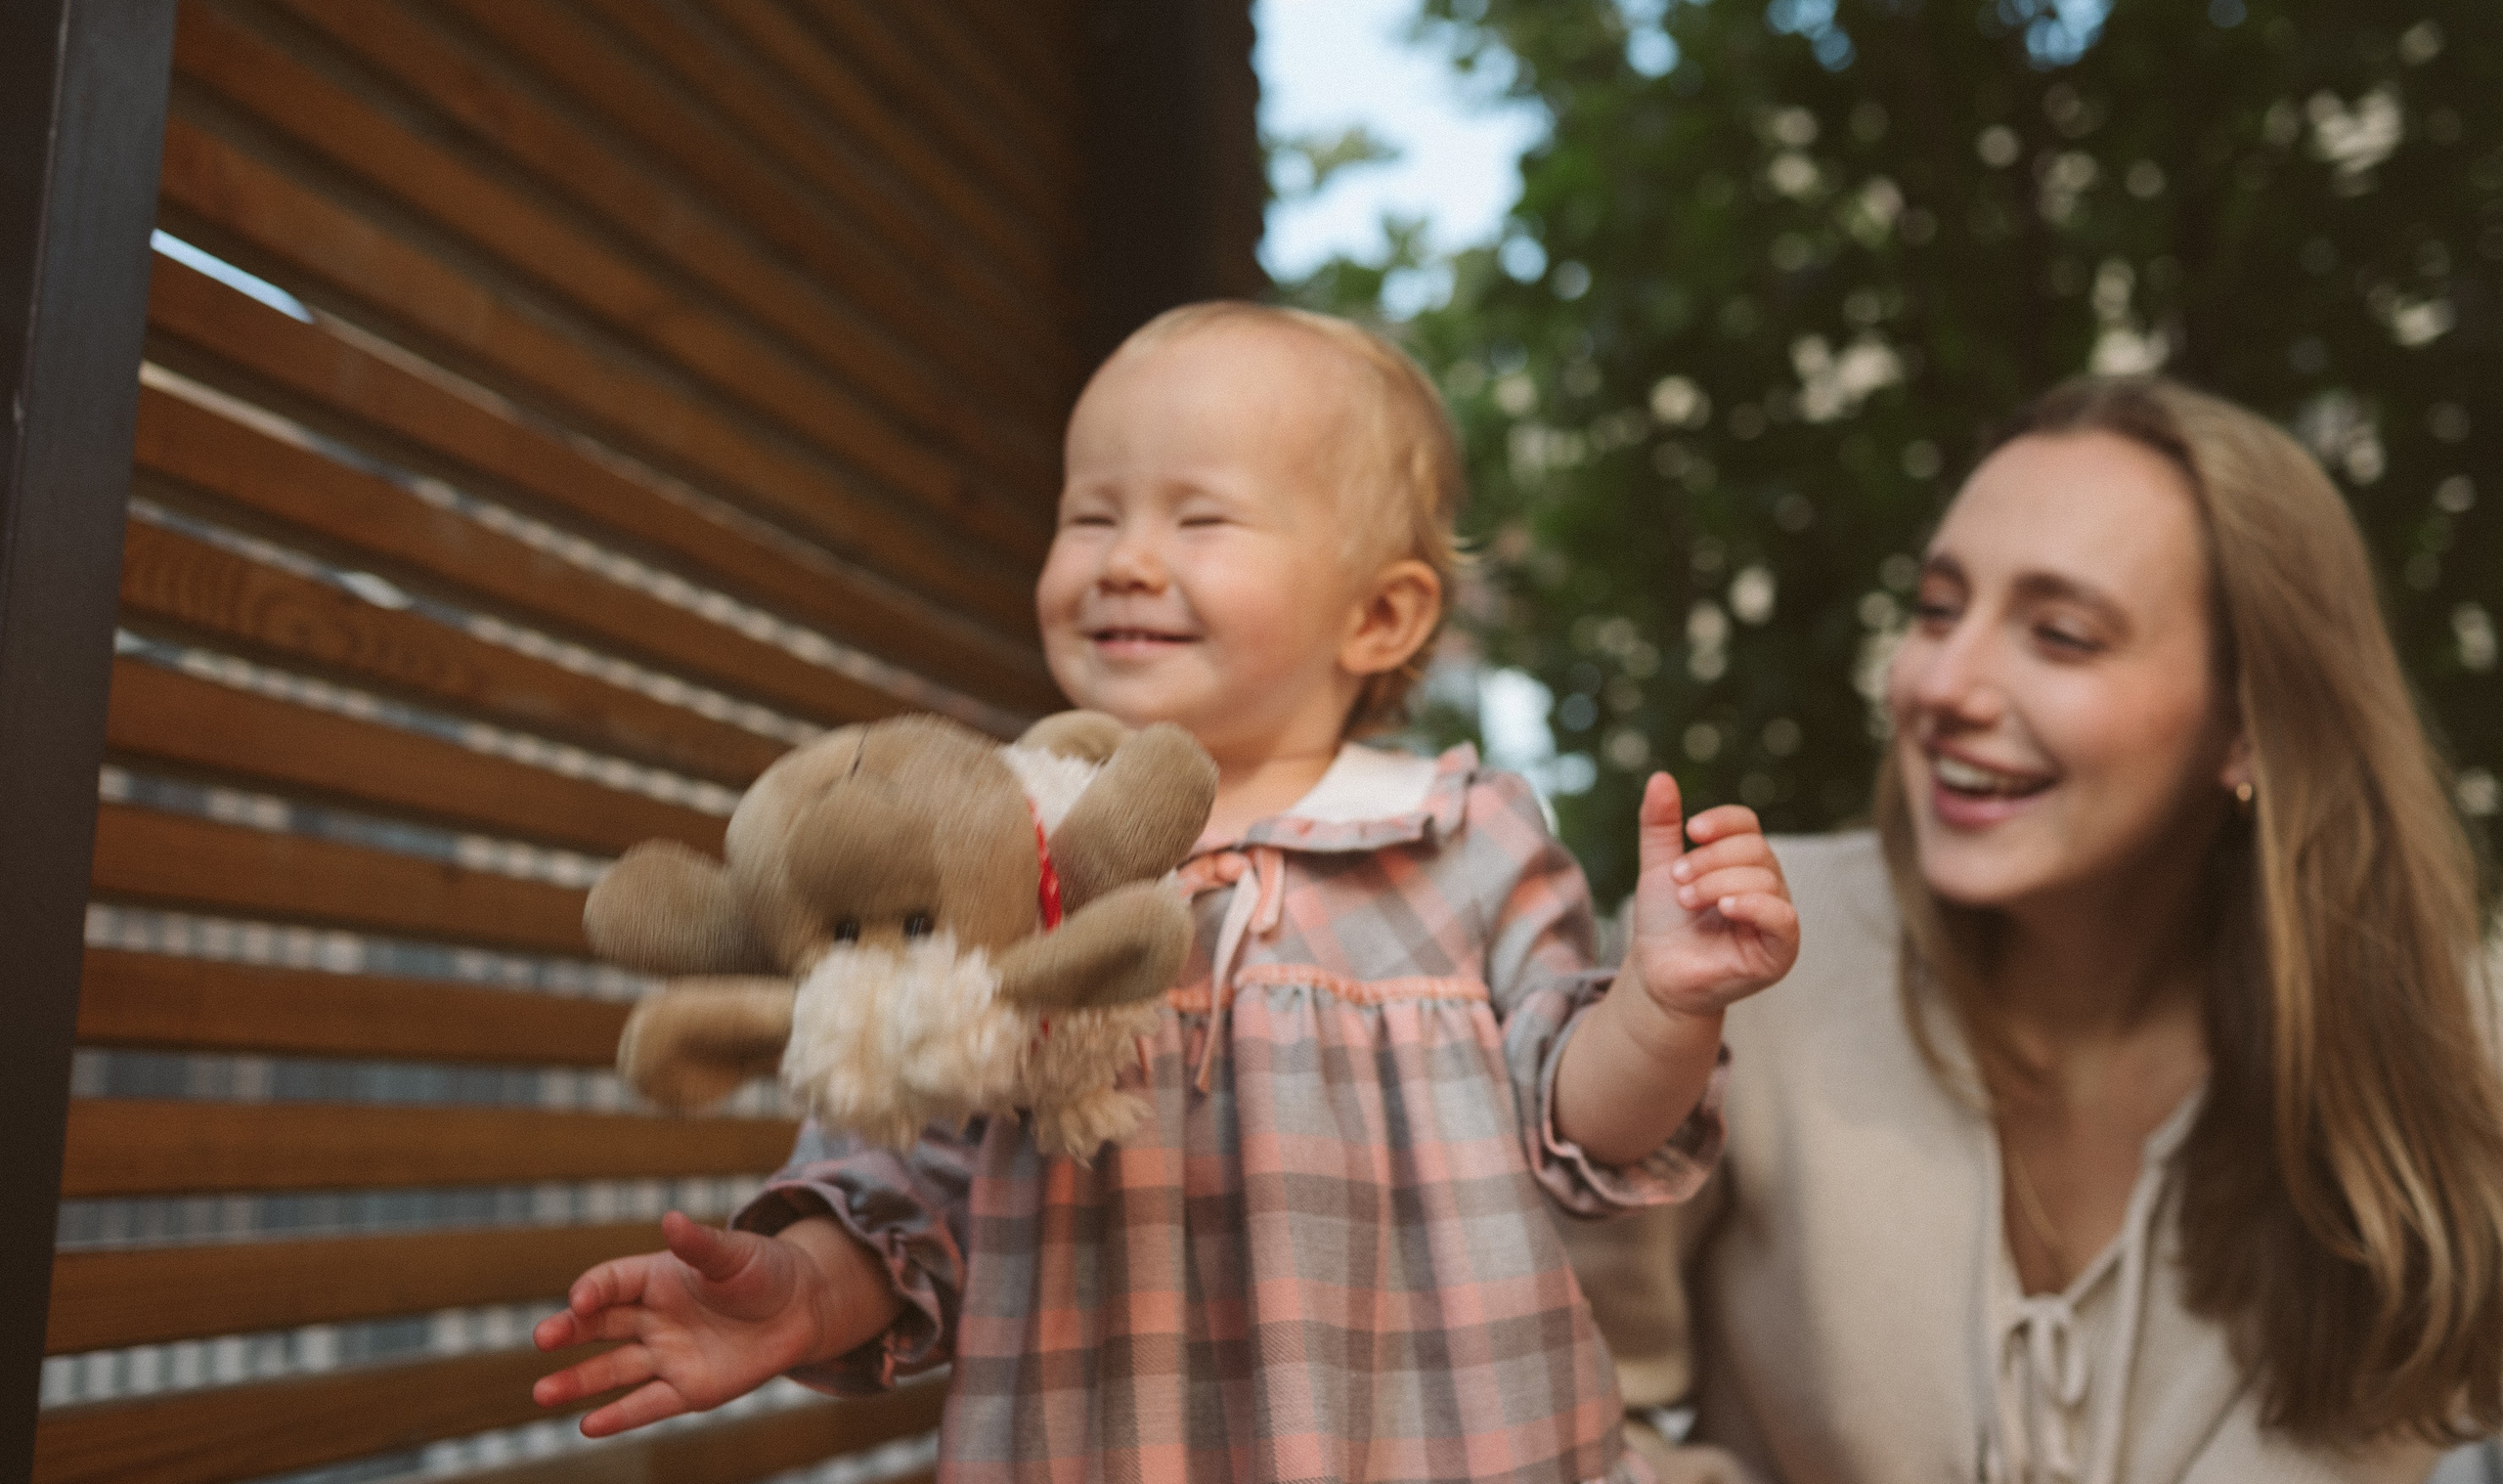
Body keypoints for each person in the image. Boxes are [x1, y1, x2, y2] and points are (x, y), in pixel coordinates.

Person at [531, 301, 1802, 1483]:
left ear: (1380, 615)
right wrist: (804, 1285)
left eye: (1199, 520)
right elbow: (910, 1173)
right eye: (1090, 515)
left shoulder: (1459, 836)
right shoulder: (994, 847)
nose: (1127, 558)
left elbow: (1585, 1122)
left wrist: (1661, 1001)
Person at [1578, 375, 2503, 1484]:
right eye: (1933, 608)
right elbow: (1553, 1406)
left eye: (2060, 634)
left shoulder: (2450, 1045)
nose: (1943, 682)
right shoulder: (1728, 964)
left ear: (2249, 724)